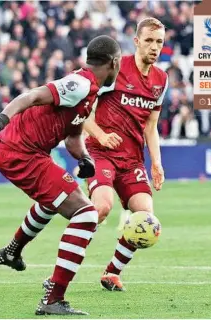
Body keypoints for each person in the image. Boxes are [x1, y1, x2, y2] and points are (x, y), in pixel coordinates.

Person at [0, 35, 122, 315]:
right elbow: (31, 96)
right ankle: (53, 298)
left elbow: (73, 138)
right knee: (87, 214)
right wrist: (1, 118)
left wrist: (85, 158)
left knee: (56, 198)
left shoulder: (89, 94)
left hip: (25, 151)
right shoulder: (80, 83)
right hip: (20, 151)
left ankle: (12, 250)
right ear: (114, 62)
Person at [83, 17, 168, 291]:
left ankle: (112, 272)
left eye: (159, 42)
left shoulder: (161, 80)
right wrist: (100, 135)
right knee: (103, 207)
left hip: (132, 160)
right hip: (101, 152)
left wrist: (156, 162)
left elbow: (151, 126)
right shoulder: (116, 69)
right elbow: (79, 109)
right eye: (149, 41)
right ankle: (64, 266)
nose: (154, 47)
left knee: (146, 219)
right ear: (136, 42)